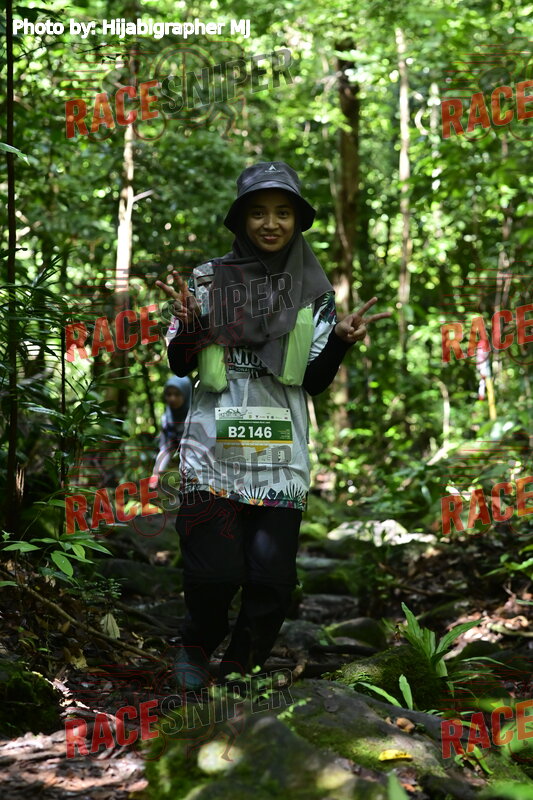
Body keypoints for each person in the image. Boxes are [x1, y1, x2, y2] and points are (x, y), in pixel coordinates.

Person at [157, 161, 391, 689]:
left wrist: (340, 342)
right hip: (212, 453)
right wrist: (191, 326)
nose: (271, 223)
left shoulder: (314, 292)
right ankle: (195, 646)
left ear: (297, 221)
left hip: (278, 456)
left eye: (283, 212)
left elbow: (314, 381)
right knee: (213, 573)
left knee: (272, 581)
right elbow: (179, 363)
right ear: (241, 219)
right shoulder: (207, 280)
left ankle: (242, 664)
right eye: (258, 212)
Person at [149, 376, 192, 490]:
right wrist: (156, 473)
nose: (172, 398)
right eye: (169, 394)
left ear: (186, 394)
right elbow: (165, 448)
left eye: (177, 394)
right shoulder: (167, 418)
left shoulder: (197, 416)